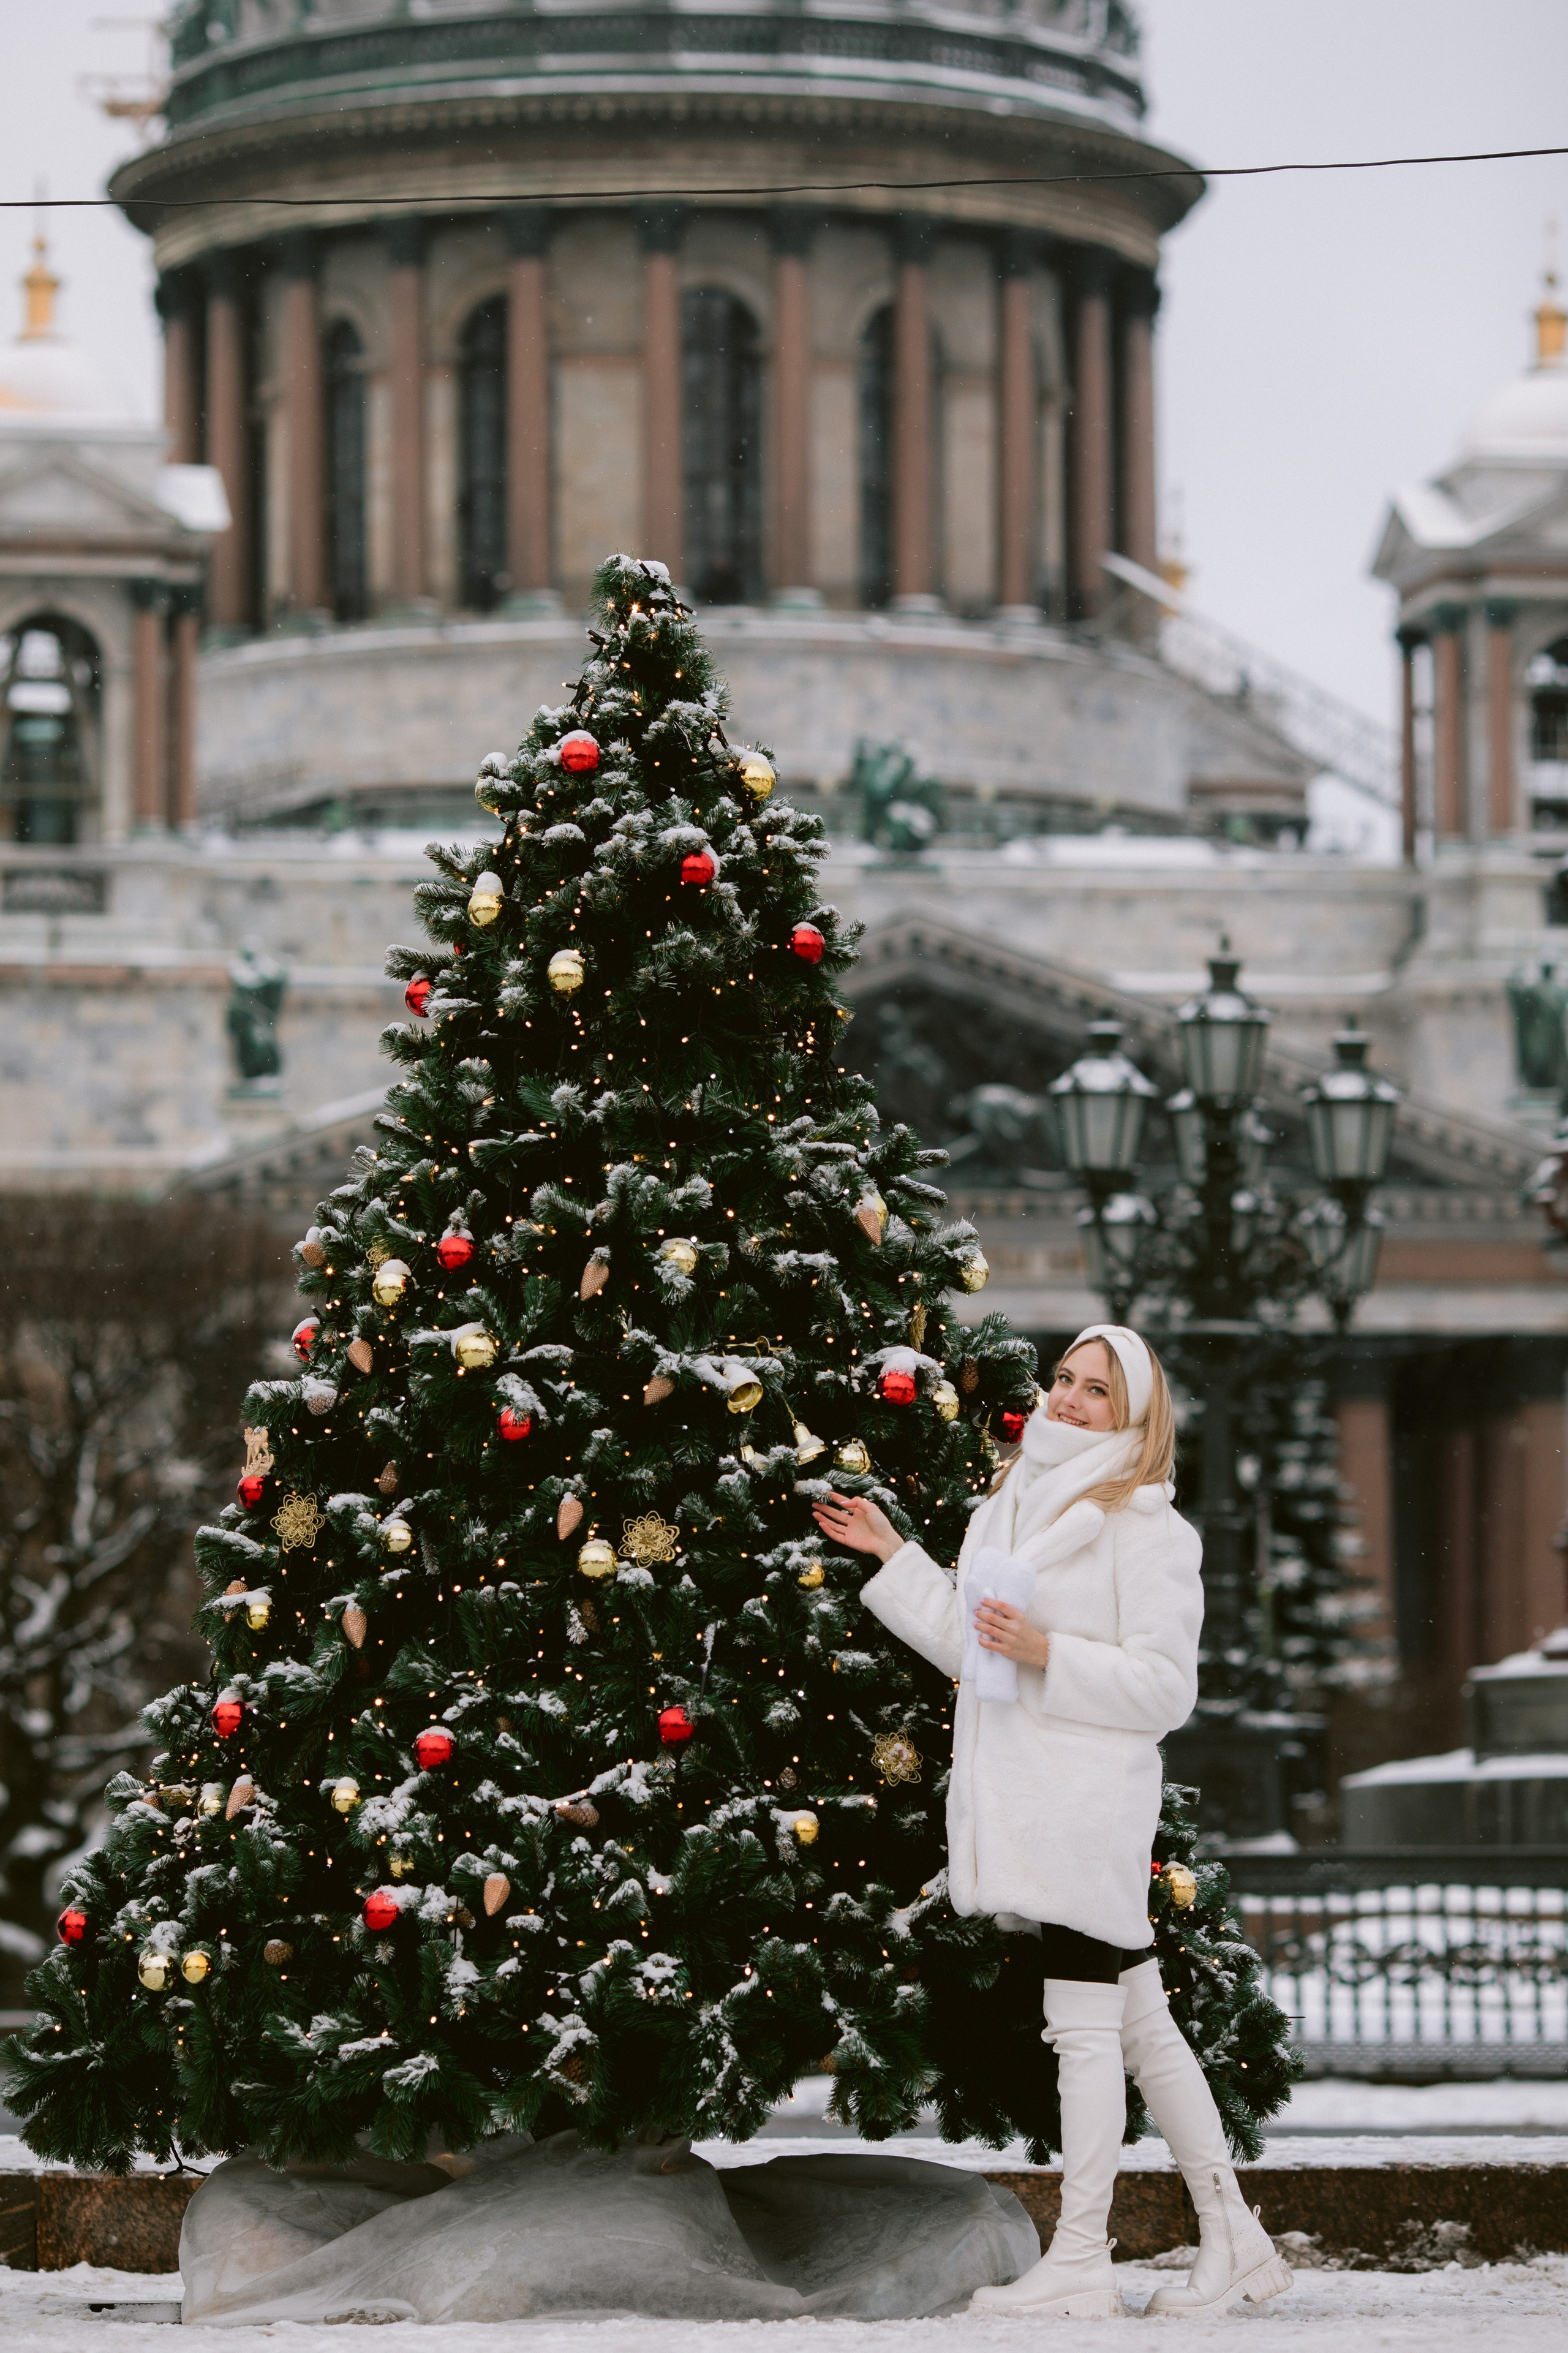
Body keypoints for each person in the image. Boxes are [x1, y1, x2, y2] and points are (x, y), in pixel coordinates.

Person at [812, 1324, 1292, 2321]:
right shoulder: (1008, 1503)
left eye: (1096, 1391)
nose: (1068, 1400)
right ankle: (1236, 2237)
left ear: (1136, 1416)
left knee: (1084, 2033)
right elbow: (968, 1648)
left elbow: (1164, 1688)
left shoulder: (1147, 1526)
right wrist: (894, 1552)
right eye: (1063, 1379)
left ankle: (1081, 2258)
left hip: (1084, 1802)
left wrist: (1046, 1649)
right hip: (1024, 1797)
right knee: (1146, 2028)